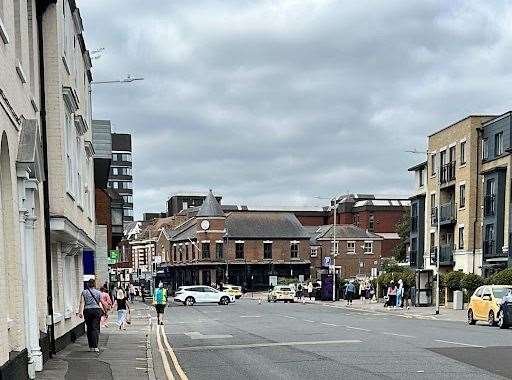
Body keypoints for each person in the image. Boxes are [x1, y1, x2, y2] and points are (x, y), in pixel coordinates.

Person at [77, 279, 105, 352]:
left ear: (88, 284)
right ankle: (95, 346)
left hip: (87, 311)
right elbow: (101, 302)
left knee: (89, 328)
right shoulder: (98, 292)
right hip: (96, 310)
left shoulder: (84, 292)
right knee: (95, 328)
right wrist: (105, 311)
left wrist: (80, 312)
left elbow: (82, 302)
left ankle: (91, 346)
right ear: (94, 284)